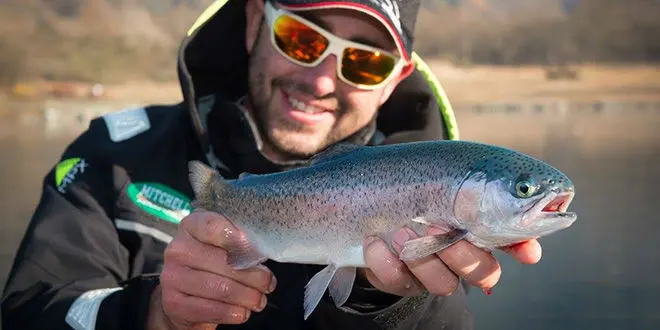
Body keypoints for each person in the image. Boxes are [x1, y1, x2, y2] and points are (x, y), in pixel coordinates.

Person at [1, 0, 542, 329]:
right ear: (256, 20)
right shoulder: (112, 158)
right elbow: (28, 312)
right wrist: (153, 316)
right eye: (303, 39)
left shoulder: (441, 202)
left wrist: (389, 306)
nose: (324, 79)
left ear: (394, 81)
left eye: (364, 60)